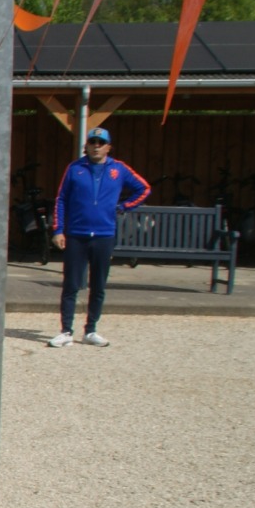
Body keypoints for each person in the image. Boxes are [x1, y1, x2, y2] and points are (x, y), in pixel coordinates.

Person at [49, 128, 150, 348]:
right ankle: (66, 331)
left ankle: (91, 330)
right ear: (86, 145)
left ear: (108, 147)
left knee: (98, 285)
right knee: (71, 284)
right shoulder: (75, 168)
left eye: (100, 142)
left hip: (104, 234)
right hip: (77, 234)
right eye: (92, 141)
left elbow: (144, 189)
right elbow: (61, 199)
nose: (96, 146)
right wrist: (58, 229)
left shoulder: (119, 169)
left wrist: (124, 206)